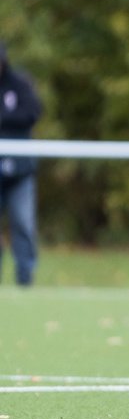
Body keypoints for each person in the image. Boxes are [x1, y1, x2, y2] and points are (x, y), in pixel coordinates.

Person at [0, 41, 44, 286]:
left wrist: (4, 119)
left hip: (20, 170)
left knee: (23, 224)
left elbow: (33, 113)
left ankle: (25, 279)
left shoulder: (19, 84)